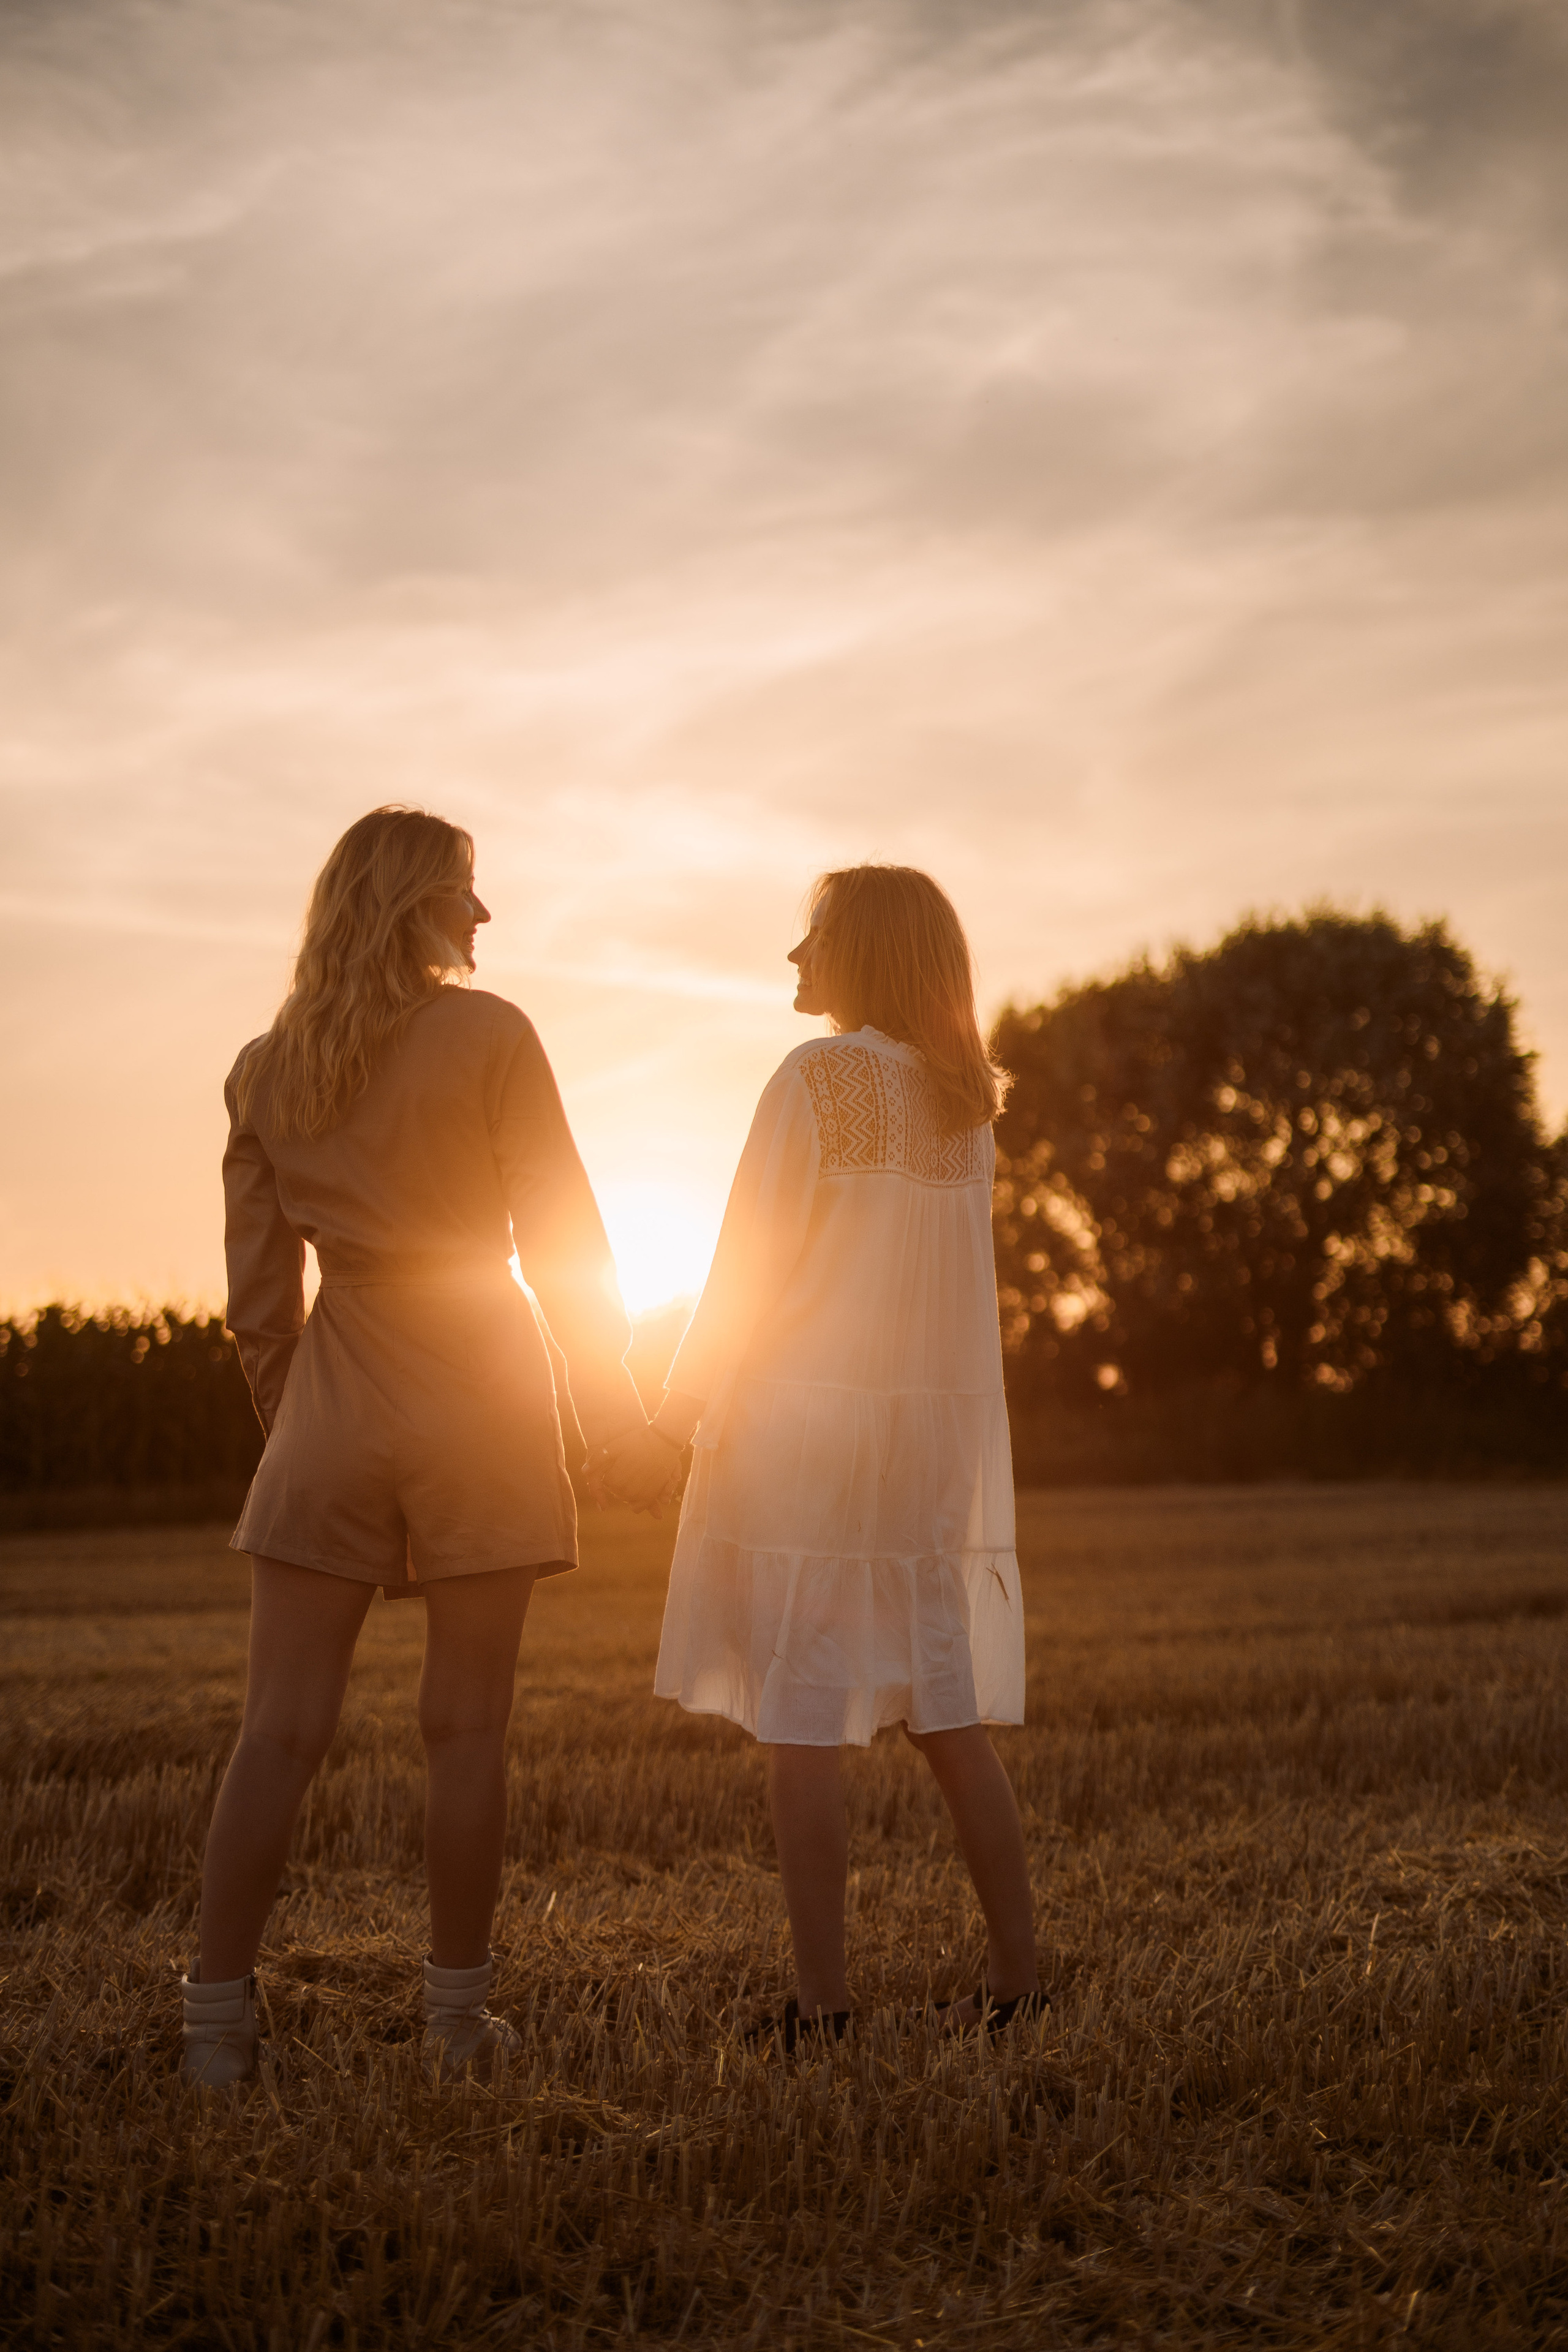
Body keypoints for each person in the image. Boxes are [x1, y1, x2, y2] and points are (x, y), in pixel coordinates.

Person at [184, 805, 679, 2087]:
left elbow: (255, 1303)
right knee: (465, 1732)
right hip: (484, 1395)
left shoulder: (263, 1066)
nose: (484, 913)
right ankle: (458, 2028)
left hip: (331, 1393)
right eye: (467, 887)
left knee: (276, 1735)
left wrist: (305, 1426)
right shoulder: (490, 1035)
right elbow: (566, 1240)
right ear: (414, 904)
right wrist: (614, 1417)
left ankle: (214, 2034)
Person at [627, 863, 1041, 2046]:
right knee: (945, 1714)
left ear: (859, 950)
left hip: (803, 1436)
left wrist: (672, 1415)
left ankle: (825, 2007)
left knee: (801, 1720)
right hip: (926, 1448)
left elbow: (748, 1267)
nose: (794, 958)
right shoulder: (969, 1114)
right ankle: (1022, 1979)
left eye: (811, 936)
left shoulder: (816, 1078)